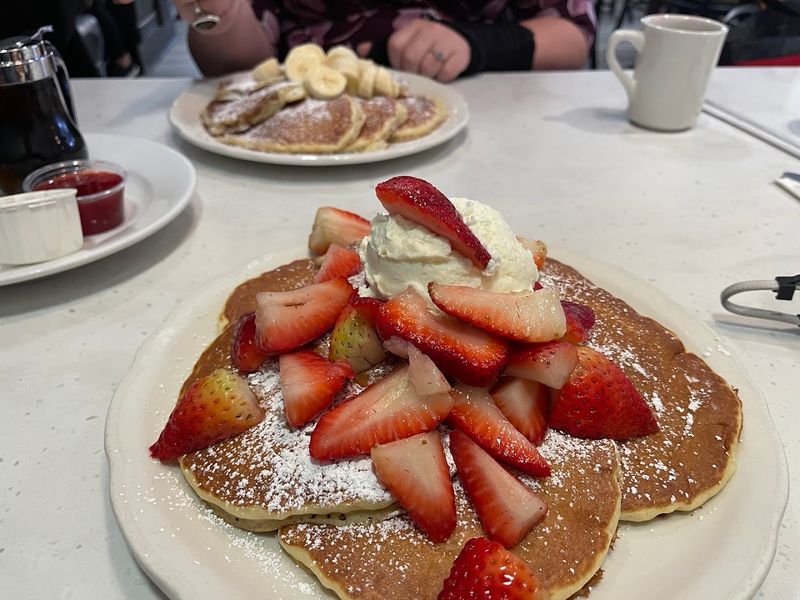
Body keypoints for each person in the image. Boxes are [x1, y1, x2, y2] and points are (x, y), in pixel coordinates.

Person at [171, 0, 595, 80]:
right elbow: (235, 70)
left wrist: (475, 43)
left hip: (485, 116)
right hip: (306, 127)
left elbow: (572, 36)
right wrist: (219, 14)